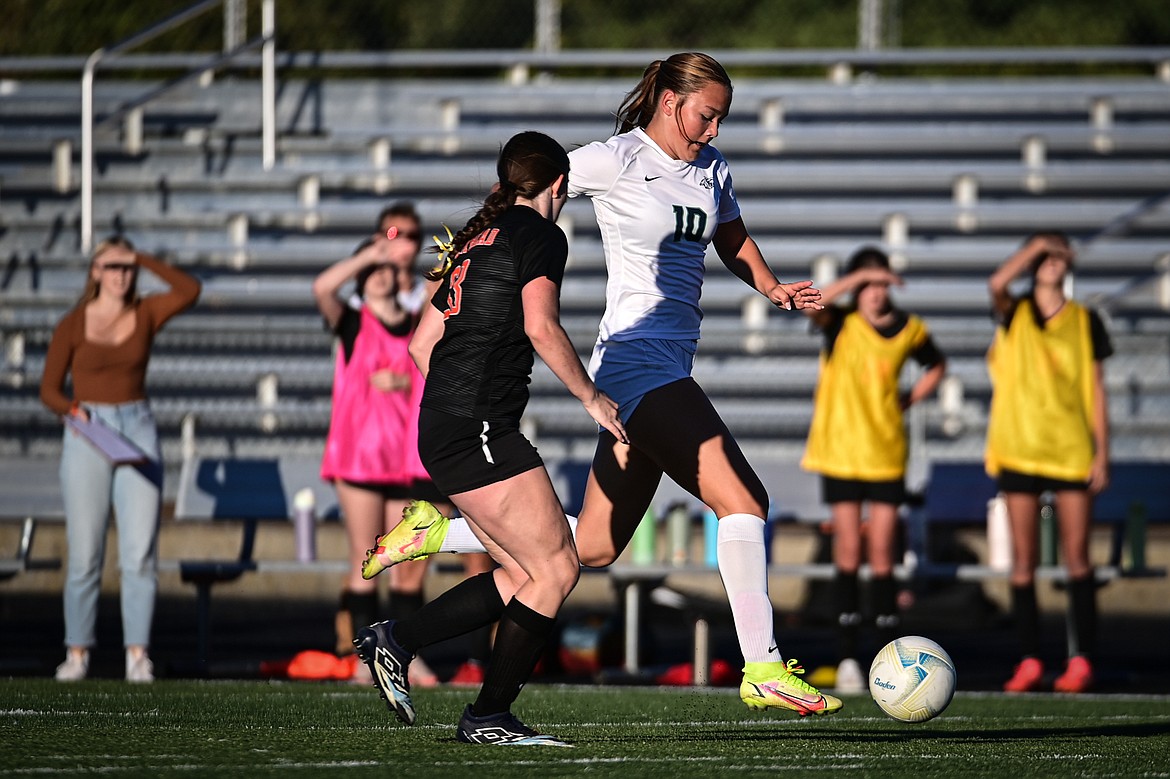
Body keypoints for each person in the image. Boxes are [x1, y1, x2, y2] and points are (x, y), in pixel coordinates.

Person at [364, 52, 842, 717]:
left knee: (589, 546)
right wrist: (459, 274)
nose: (713, 130)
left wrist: (771, 285)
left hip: (666, 366)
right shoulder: (616, 159)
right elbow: (524, 196)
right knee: (745, 499)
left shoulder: (713, 169)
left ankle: (437, 537)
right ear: (671, 102)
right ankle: (761, 663)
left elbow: (730, 233)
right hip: (635, 364)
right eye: (707, 115)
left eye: (721, 119)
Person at [353, 130, 625, 746]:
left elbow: (421, 346)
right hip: (475, 428)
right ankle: (488, 716)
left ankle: (396, 638)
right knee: (557, 567)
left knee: (524, 573)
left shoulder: (474, 240)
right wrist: (590, 397)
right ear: (560, 185)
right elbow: (541, 325)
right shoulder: (541, 234)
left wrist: (460, 407)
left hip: (448, 425)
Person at [314, 204, 494, 687]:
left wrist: (445, 252)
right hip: (359, 456)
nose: (383, 274)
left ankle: (402, 655)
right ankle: (361, 661)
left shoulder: (417, 314)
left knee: (406, 562)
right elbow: (323, 288)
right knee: (363, 560)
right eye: (374, 271)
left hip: (404, 455)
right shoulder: (352, 319)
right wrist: (373, 252)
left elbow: (441, 290)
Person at [39, 237, 201, 682]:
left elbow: (189, 290)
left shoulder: (145, 312)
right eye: (111, 266)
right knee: (85, 551)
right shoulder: (73, 323)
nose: (121, 274)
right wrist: (73, 410)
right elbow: (49, 388)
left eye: (127, 267)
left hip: (137, 428)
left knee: (139, 552)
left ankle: (137, 654)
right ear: (95, 271)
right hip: (87, 430)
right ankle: (77, 653)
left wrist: (145, 258)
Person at [799, 246, 947, 694]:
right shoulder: (839, 321)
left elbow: (936, 366)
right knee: (848, 552)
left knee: (882, 553)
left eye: (882, 284)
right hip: (841, 452)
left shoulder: (909, 328)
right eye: (869, 284)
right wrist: (857, 277)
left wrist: (910, 399)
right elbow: (818, 300)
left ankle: (890, 656)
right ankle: (847, 656)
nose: (877, 294)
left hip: (885, 454)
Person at [986, 232, 1112, 694]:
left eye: (1060, 253)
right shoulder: (1015, 310)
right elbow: (997, 283)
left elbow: (1097, 389)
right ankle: (1030, 659)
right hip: (1018, 446)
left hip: (1070, 448)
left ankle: (1081, 660)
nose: (1051, 261)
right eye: (1044, 255)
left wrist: (1103, 451)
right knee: (1025, 562)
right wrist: (1037, 245)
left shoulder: (1086, 319)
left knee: (1078, 560)